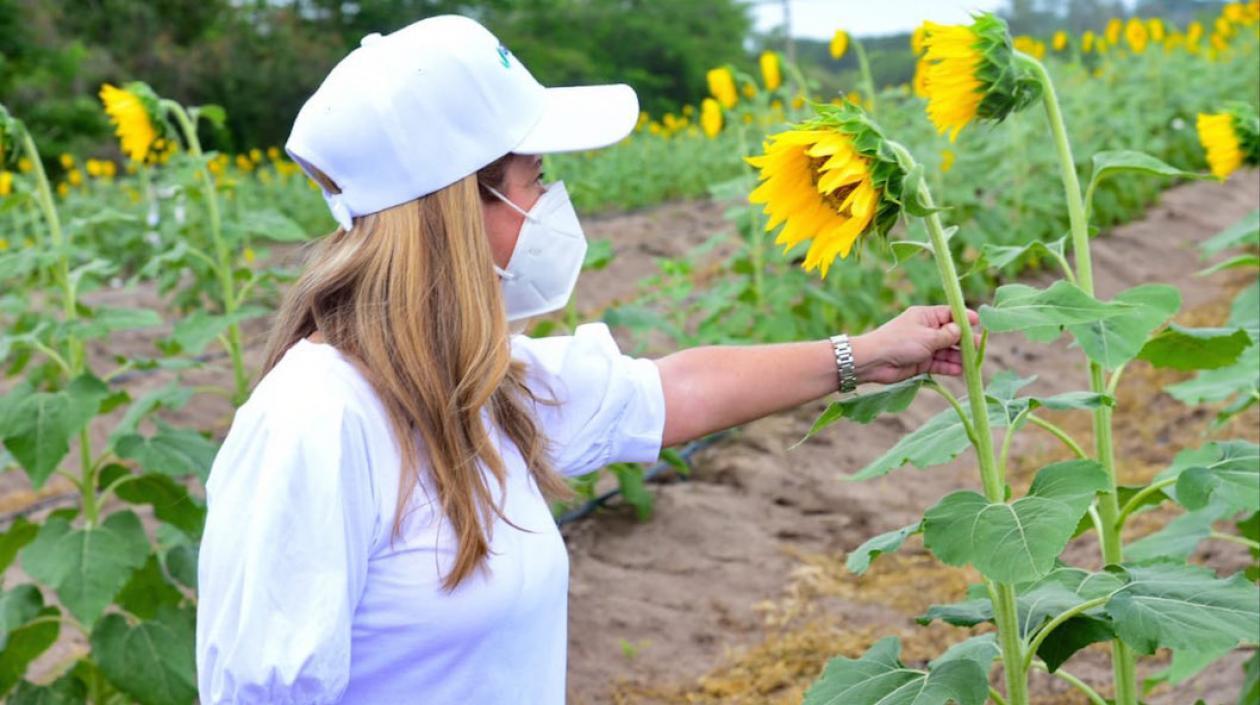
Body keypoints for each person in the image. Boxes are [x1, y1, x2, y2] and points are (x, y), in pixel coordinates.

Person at [194, 14, 979, 705]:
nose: (555, 200)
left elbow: (670, 391)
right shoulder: (314, 422)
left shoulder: (479, 384)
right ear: (456, 208)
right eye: (536, 176)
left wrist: (868, 354)